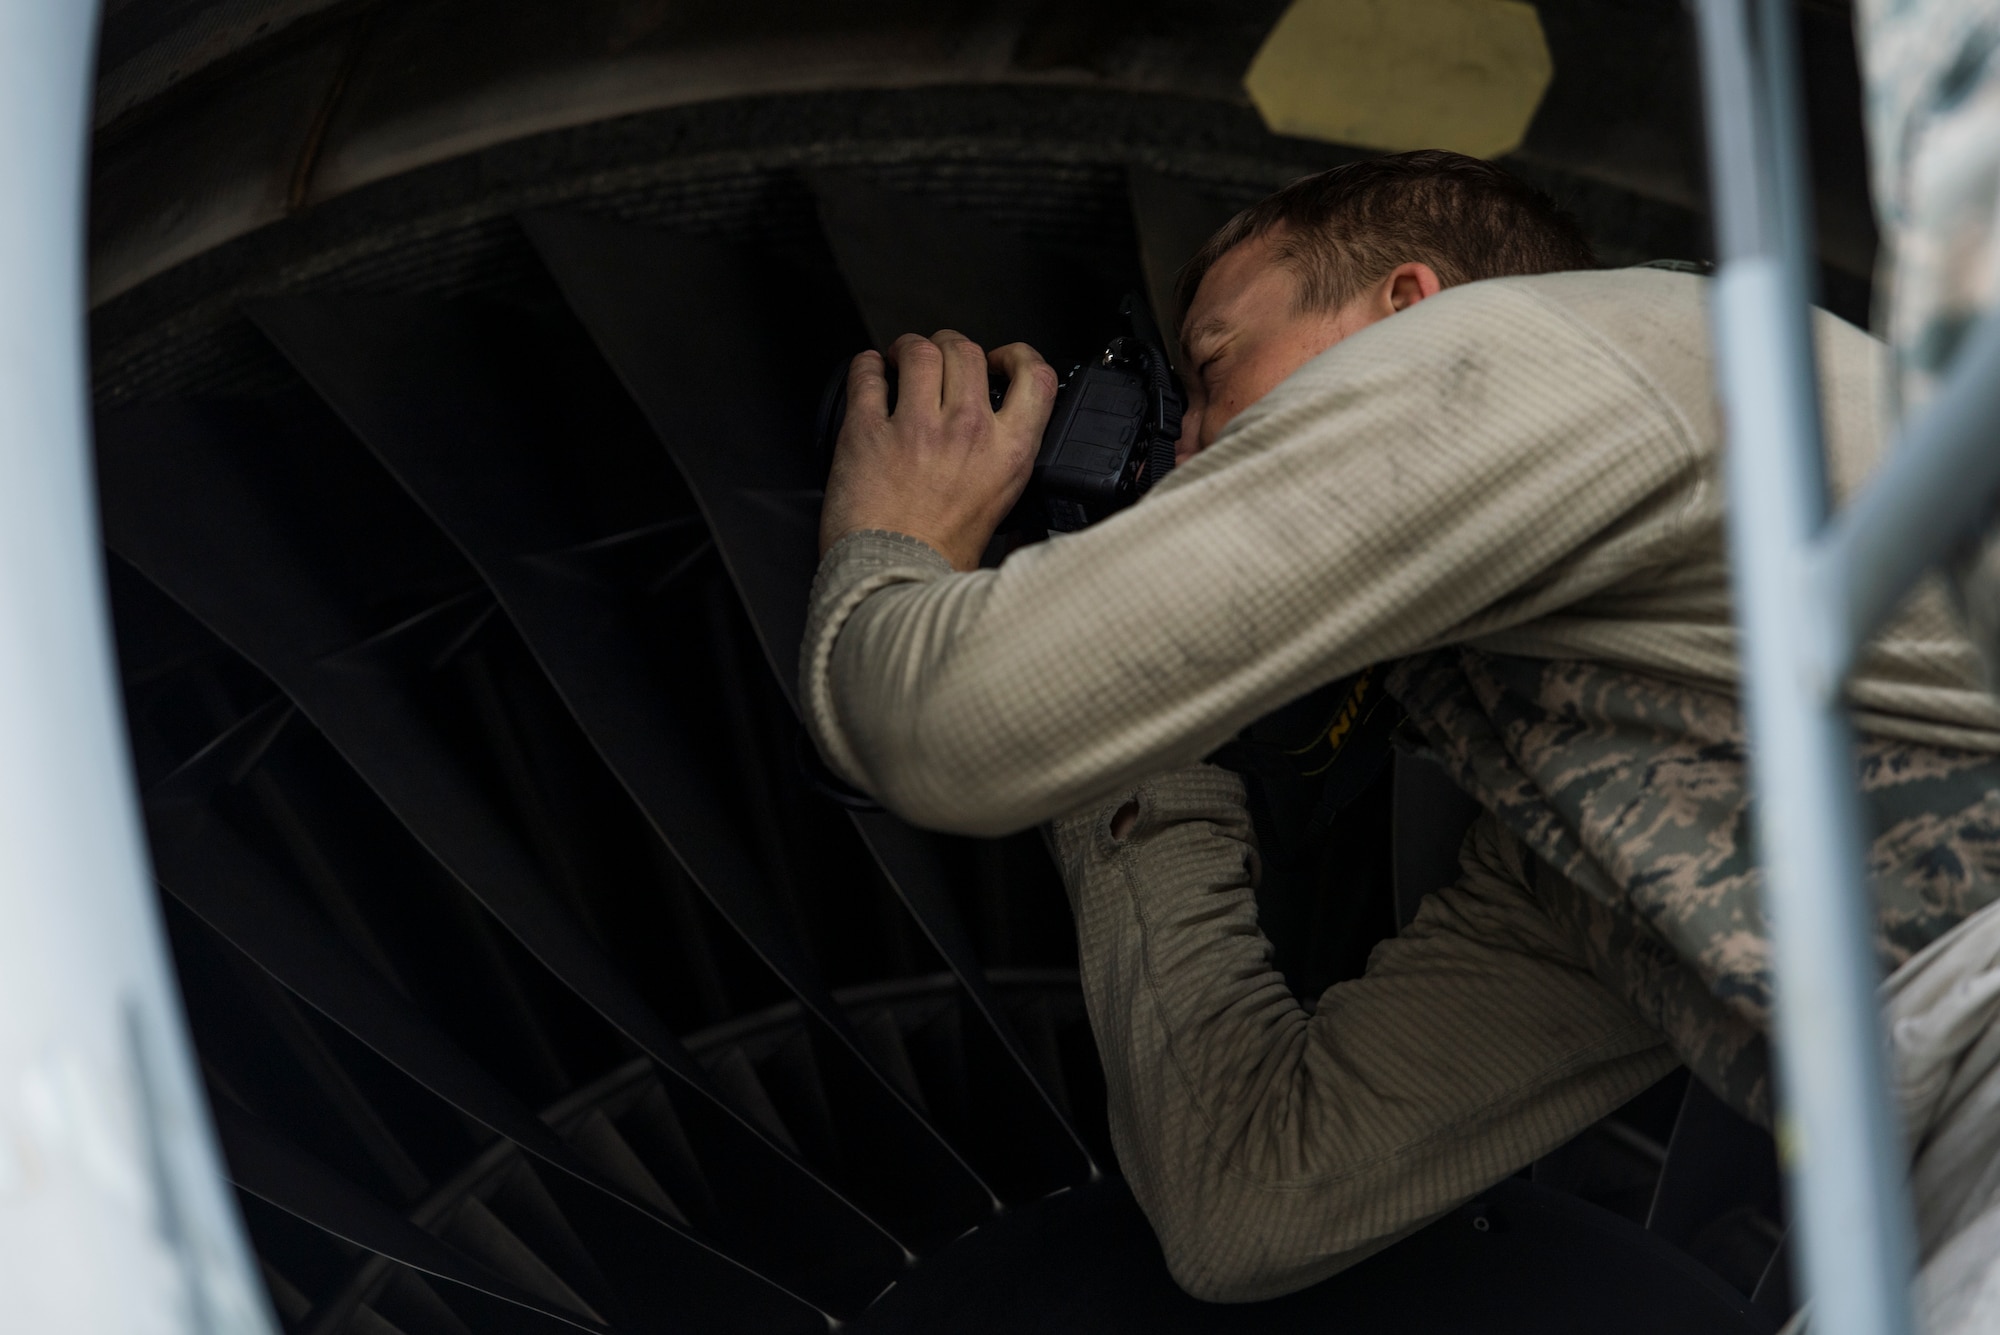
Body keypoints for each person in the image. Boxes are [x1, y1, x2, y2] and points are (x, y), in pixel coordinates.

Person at [800, 151, 2000, 1301]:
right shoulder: (1607, 832)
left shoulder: (1552, 351)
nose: (1183, 456)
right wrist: (1142, 749)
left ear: (1407, 307)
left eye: (1212, 368)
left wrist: (894, 538)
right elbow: (1250, 1202)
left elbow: (944, 730)